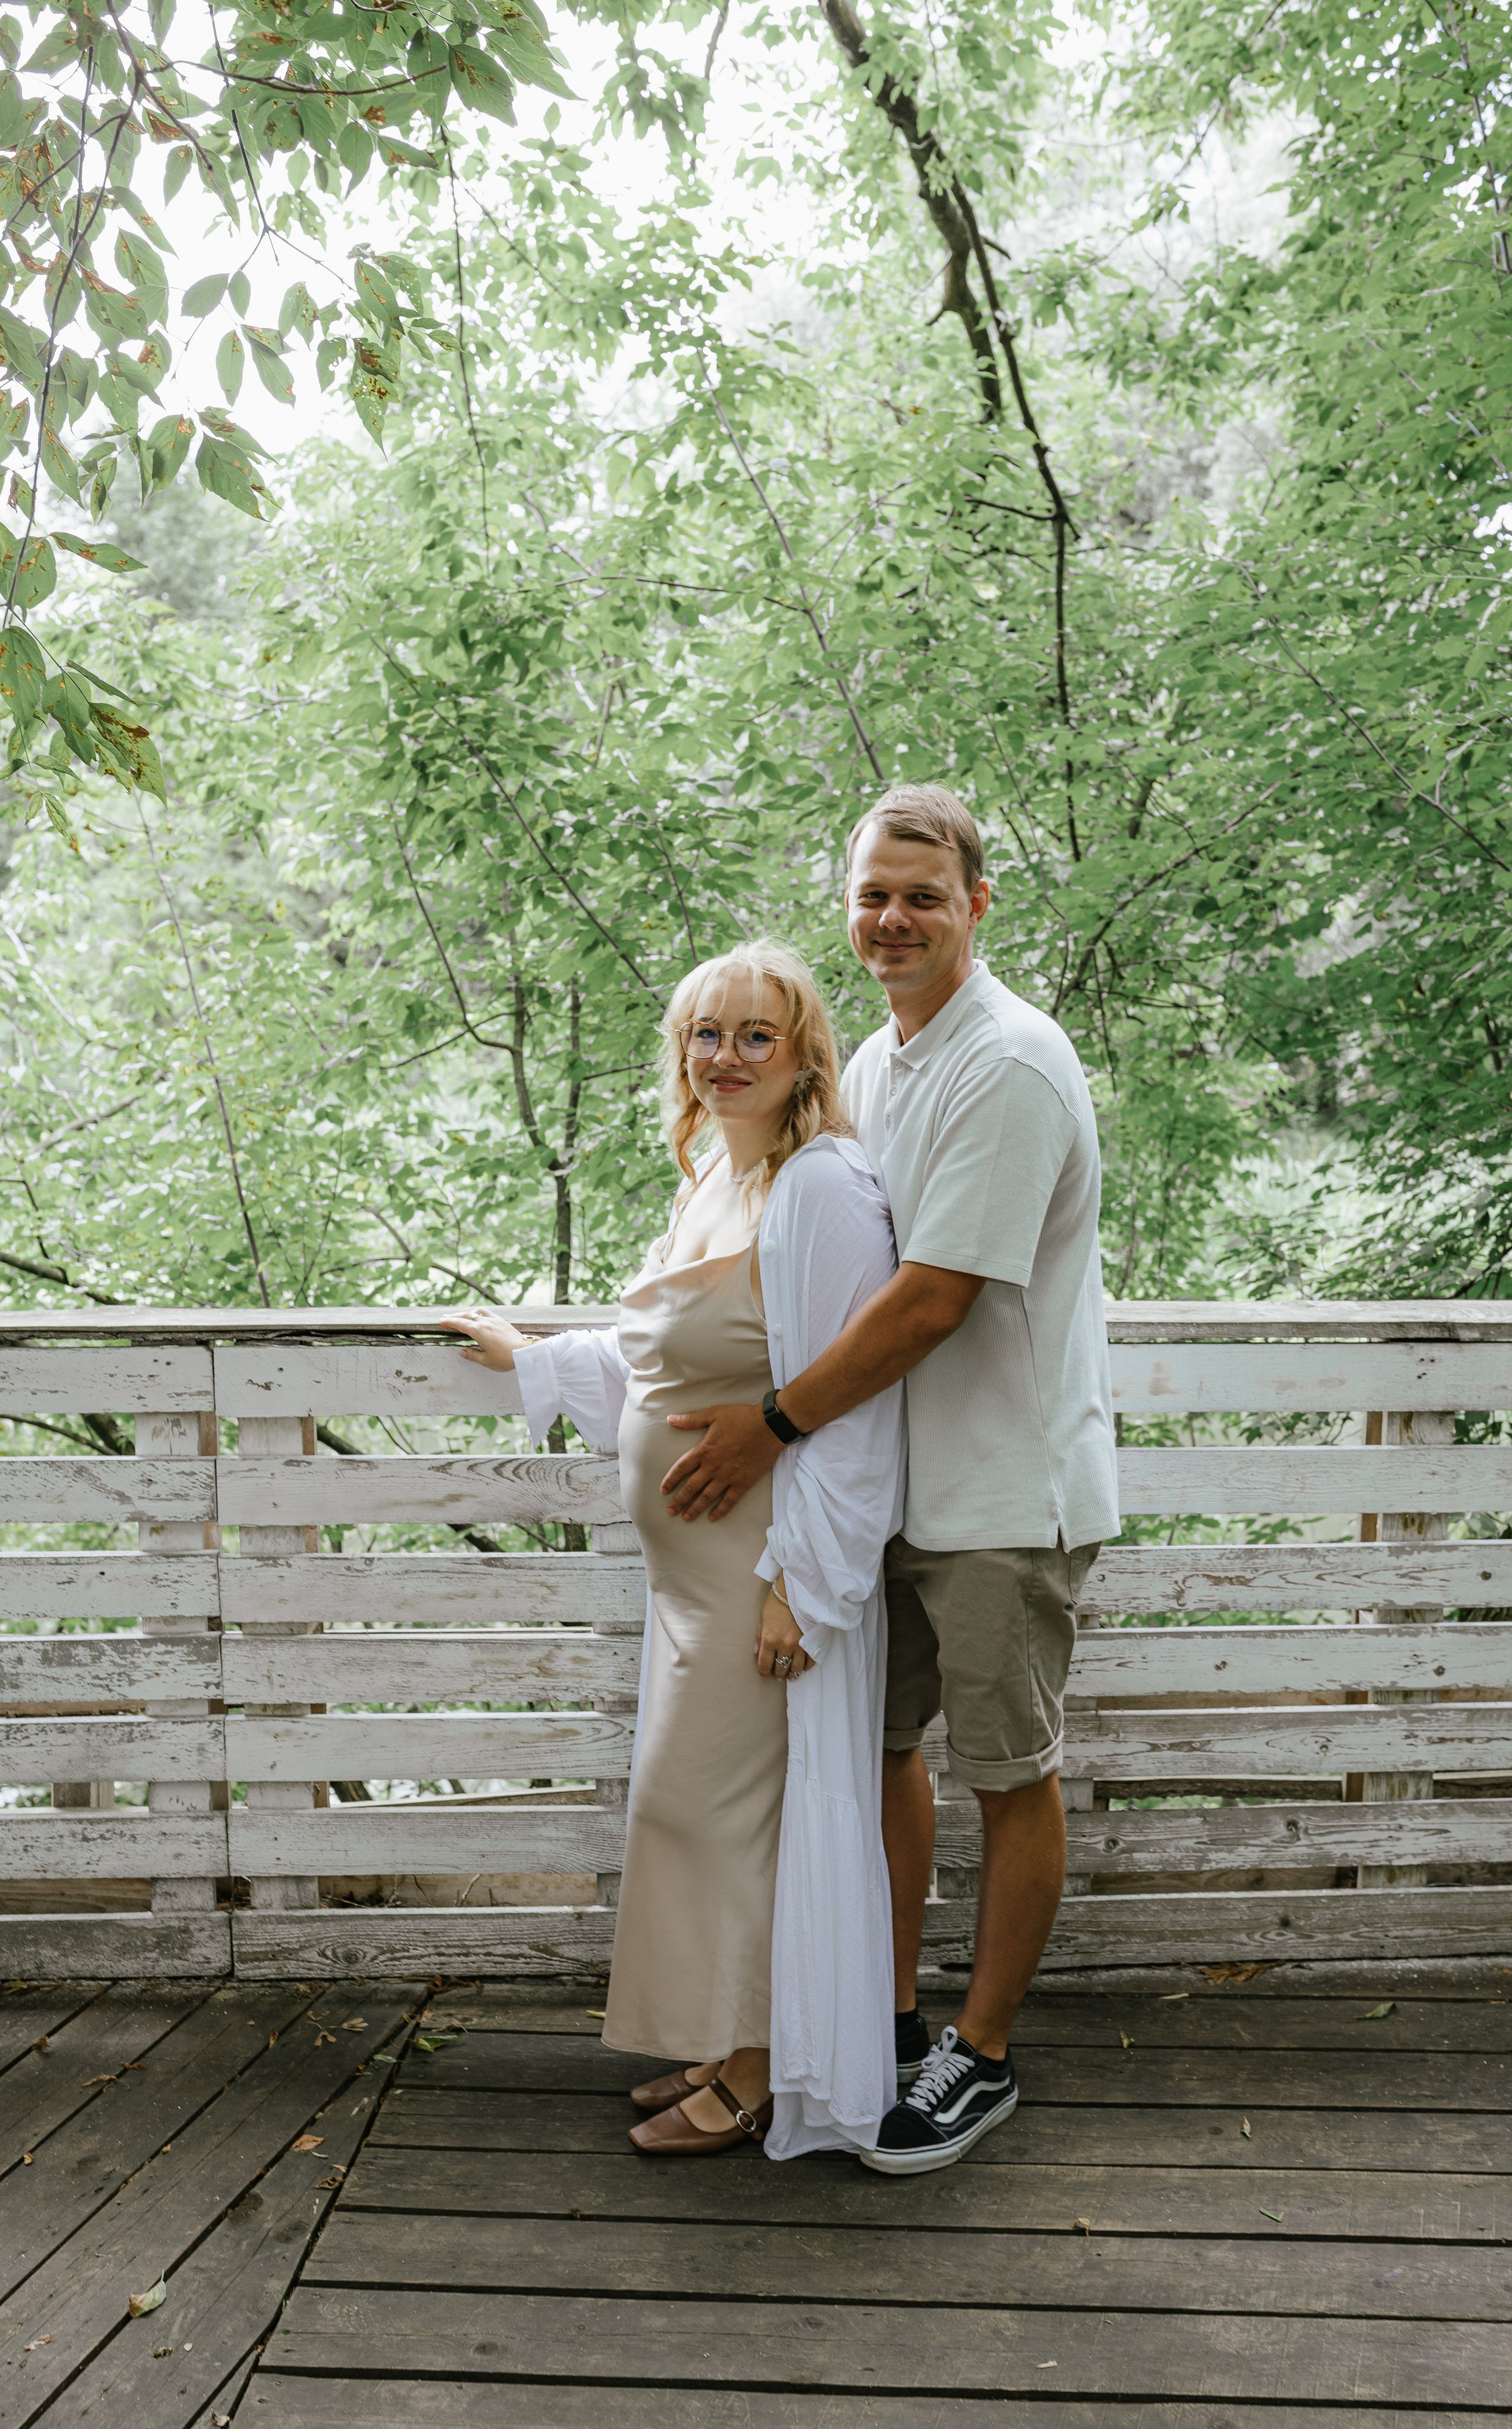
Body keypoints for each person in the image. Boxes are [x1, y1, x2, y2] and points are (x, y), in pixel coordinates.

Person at [658, 782, 1119, 2175]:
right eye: (870, 894)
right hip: (894, 1485)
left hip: (999, 1490)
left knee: (1009, 1770)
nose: (891, 918)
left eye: (921, 893)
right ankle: (886, 2017)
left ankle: (976, 2058)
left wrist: (770, 1427)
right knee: (878, 1753)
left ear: (976, 904)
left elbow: (930, 1303)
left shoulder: (1010, 1063)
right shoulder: (881, 1055)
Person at [442, 941, 904, 2161]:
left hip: (757, 1571)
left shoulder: (823, 1188)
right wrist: (534, 1356)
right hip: (689, 1576)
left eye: (758, 1035)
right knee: (695, 1813)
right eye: (708, 1034)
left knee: (716, 1809)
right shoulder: (714, 1174)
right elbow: (670, 1359)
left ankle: (761, 2077)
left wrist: (799, 1588)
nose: (729, 1057)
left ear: (806, 1050)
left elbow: (853, 1408)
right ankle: (723, 2036)